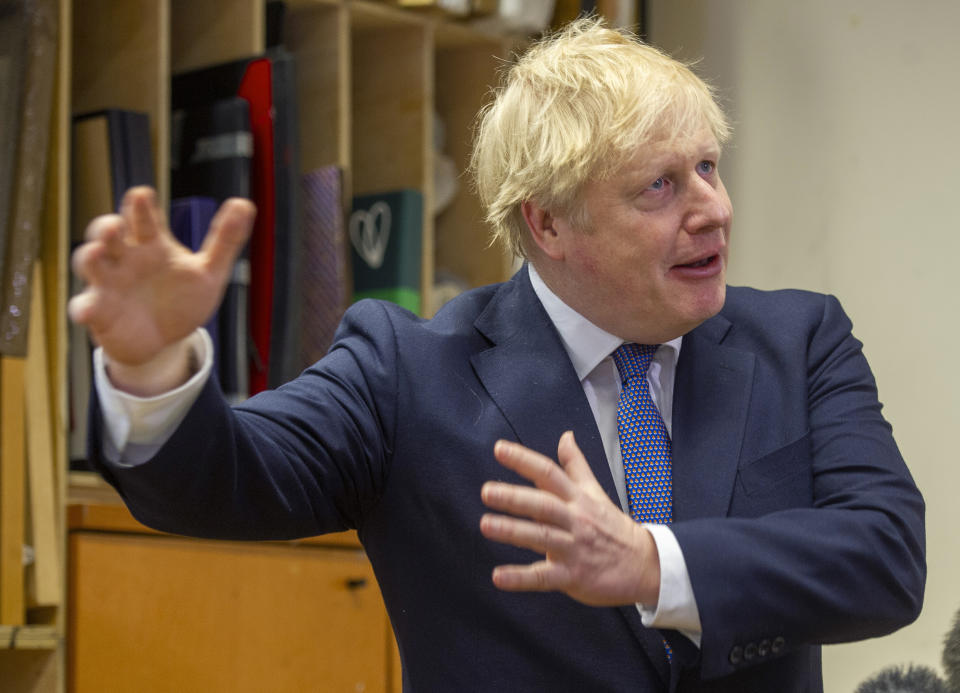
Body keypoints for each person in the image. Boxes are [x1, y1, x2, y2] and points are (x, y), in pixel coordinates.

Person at [69, 17, 925, 692]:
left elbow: (885, 555)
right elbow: (225, 478)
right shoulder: (406, 373)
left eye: (708, 166)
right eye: (660, 186)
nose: (713, 209)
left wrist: (653, 564)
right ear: (546, 223)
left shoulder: (802, 339)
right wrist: (153, 368)